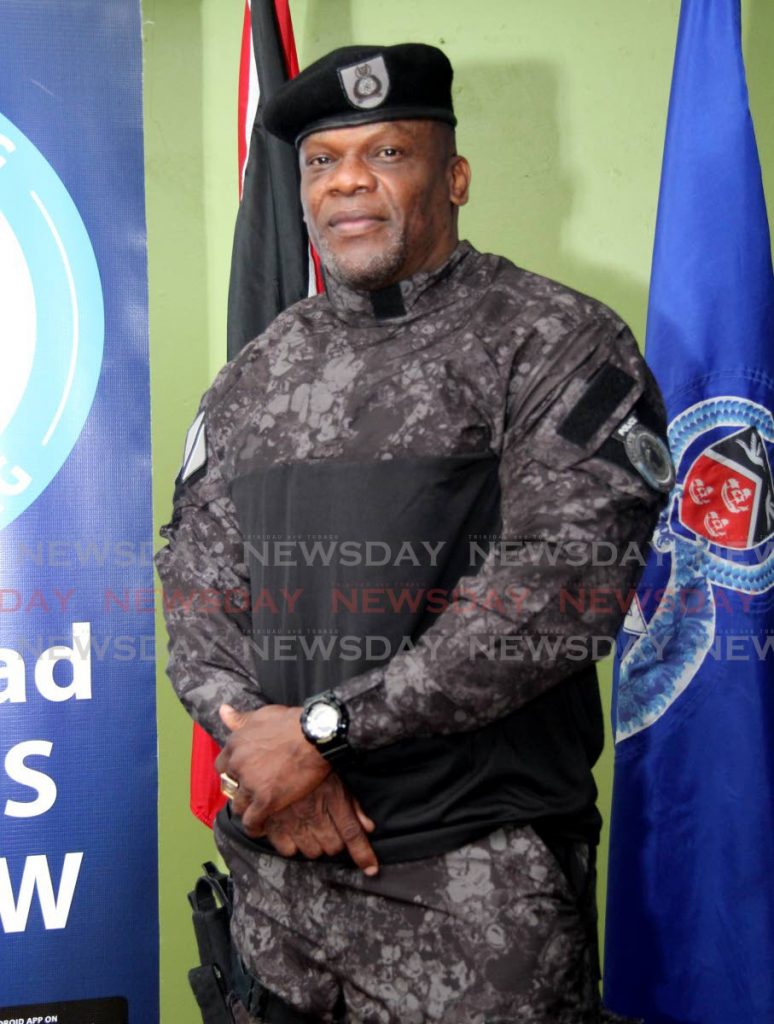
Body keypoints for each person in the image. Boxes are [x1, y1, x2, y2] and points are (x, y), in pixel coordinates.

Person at [157, 42, 671, 1024]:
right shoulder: (256, 376)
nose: (348, 179)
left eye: (387, 153)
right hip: (282, 889)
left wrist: (321, 733)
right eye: (322, 160)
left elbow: (558, 597)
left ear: (456, 176)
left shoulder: (554, 341)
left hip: (475, 896)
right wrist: (258, 747)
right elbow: (196, 584)